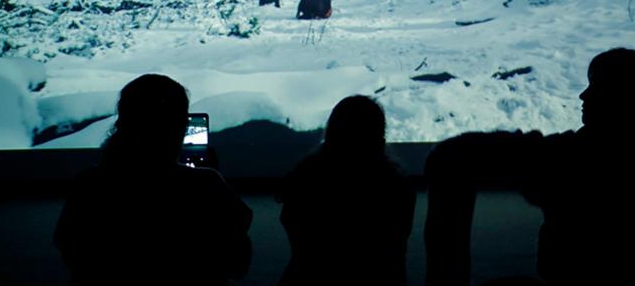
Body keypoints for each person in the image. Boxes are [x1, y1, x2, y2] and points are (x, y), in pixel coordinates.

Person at [424, 48, 635, 286]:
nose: (583, 96)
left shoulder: (579, 158)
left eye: (597, 87)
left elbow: (452, 155)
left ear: (620, 95)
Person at [54, 74, 252, 286]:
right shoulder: (207, 186)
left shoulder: (88, 184)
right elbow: (237, 265)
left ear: (122, 122)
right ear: (179, 126)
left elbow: (73, 255)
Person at [277, 95, 416, 286]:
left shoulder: (304, 179)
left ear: (330, 134)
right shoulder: (398, 186)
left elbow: (296, 232)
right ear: (379, 138)